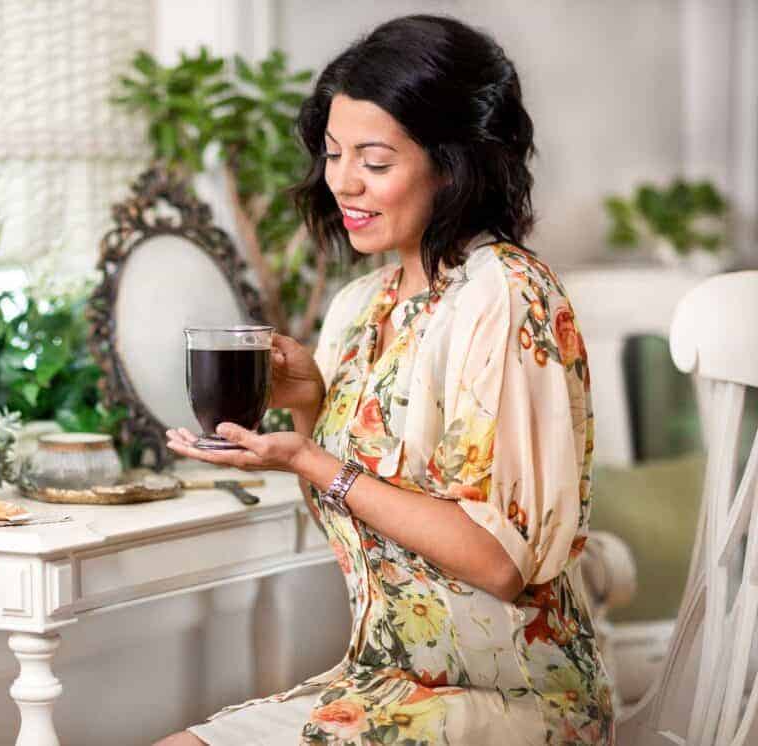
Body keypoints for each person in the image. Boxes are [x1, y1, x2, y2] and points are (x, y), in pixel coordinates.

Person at [158, 13, 615, 746]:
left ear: (451, 163)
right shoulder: (357, 307)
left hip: (518, 699)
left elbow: (499, 566)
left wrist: (309, 457)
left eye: (374, 160)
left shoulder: (505, 293)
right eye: (335, 154)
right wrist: (309, 406)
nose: (343, 181)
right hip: (381, 683)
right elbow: (362, 539)